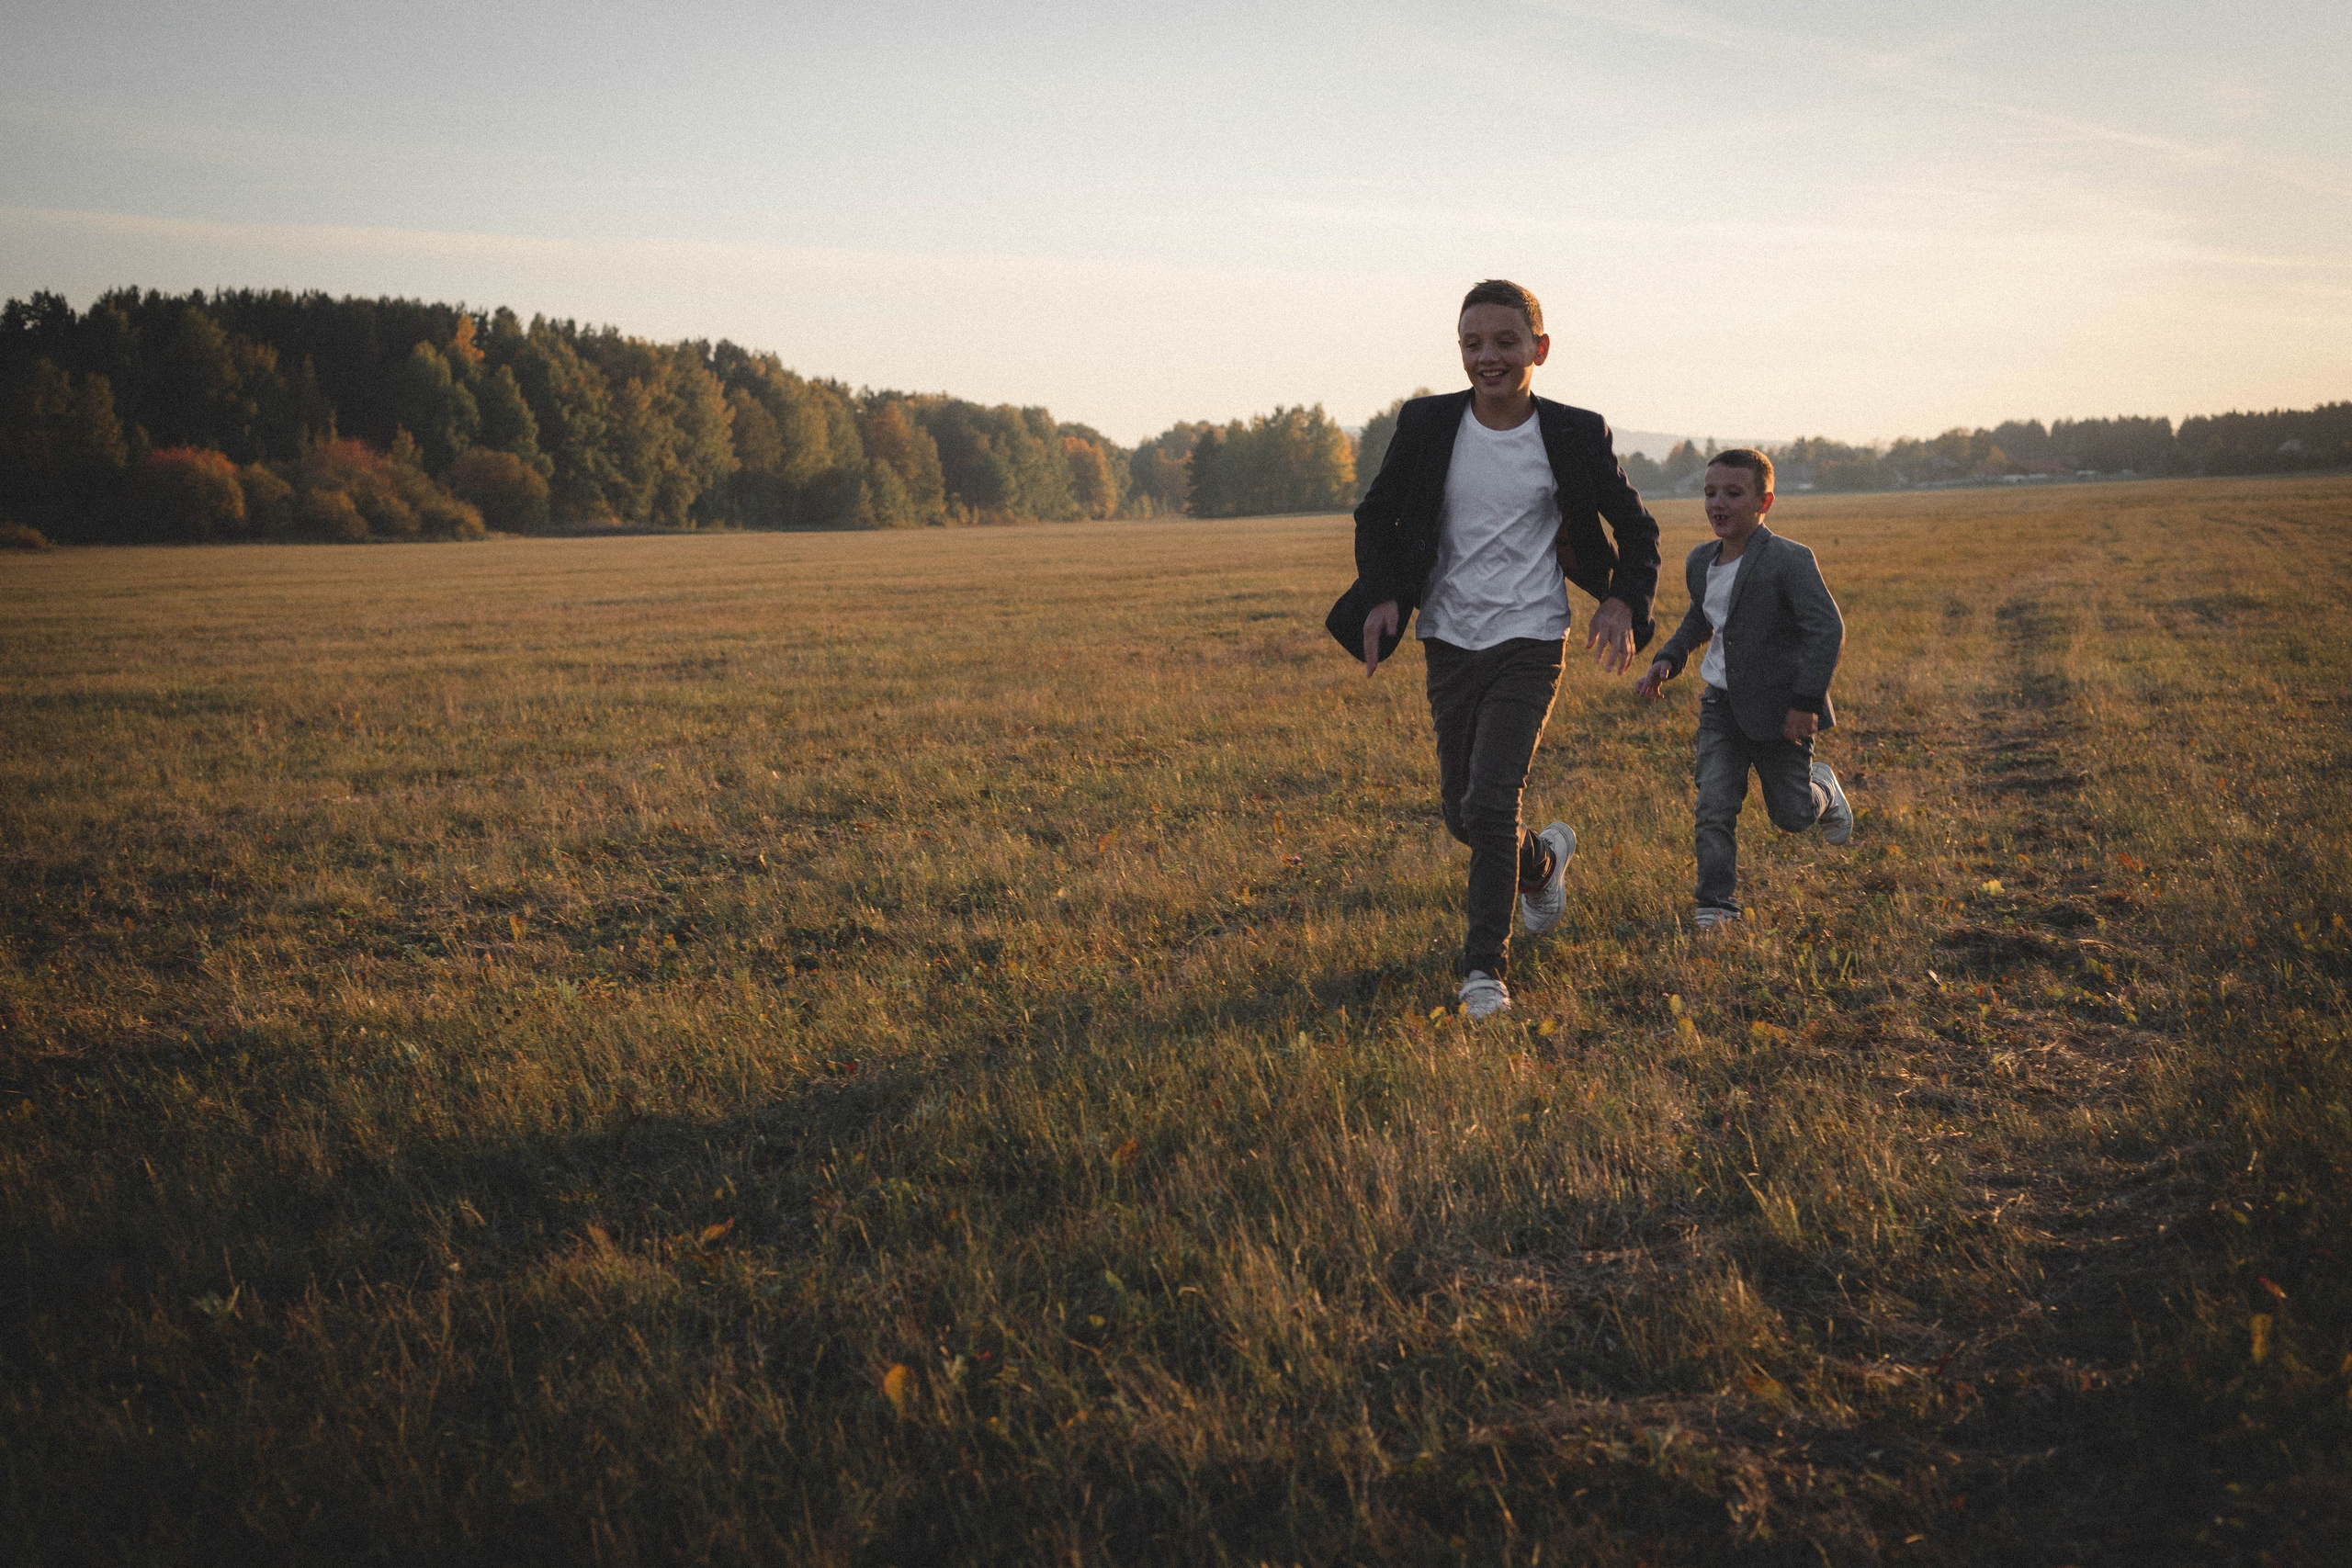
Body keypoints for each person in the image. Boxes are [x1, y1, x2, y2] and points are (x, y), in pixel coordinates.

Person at [1333, 279, 1661, 1019]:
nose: (1489, 357)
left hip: (1532, 635)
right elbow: (1376, 513)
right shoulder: (1425, 424)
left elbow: (1637, 530)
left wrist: (1622, 598)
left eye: (1506, 342)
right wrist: (1383, 593)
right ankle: (1541, 865)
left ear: (1539, 349)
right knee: (1463, 811)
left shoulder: (1575, 433)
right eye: (1473, 343)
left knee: (1489, 800)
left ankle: (1484, 971)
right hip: (1448, 635)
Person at [1634, 449, 1851, 931]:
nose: (1719, 503)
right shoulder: (1700, 561)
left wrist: (1805, 703)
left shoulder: (1790, 560)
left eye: (1734, 493)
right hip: (1720, 707)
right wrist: (1668, 659)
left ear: (1764, 502)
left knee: (1792, 816)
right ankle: (1716, 906)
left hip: (1780, 711)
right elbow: (1702, 617)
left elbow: (1827, 630)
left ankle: (1823, 790)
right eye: (1711, 493)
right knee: (1713, 806)